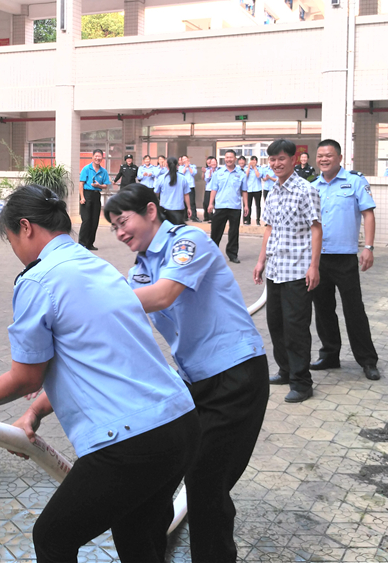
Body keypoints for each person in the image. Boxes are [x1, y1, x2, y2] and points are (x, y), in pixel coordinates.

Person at [0, 185, 200, 563]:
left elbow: (26, 377)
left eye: (11, 240)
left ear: (26, 227)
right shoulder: (98, 267)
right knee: (139, 539)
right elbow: (90, 359)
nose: (16, 252)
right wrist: (34, 412)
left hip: (129, 443)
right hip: (179, 424)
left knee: (53, 537)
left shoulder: (38, 279)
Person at [104, 184, 269, 563]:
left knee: (205, 483)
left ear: (150, 211)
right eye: (113, 227)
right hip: (195, 383)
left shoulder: (187, 240)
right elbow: (124, 324)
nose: (120, 232)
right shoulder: (140, 270)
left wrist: (96, 301)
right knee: (163, 465)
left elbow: (163, 296)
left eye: (123, 221)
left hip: (235, 376)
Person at [252, 139, 321, 403]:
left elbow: (316, 228)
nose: (276, 163)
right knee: (276, 325)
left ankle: (302, 383)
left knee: (296, 328)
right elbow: (268, 228)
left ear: (294, 159)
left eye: (281, 158)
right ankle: (285, 370)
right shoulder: (273, 190)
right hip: (276, 270)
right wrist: (261, 261)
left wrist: (314, 266)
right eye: (272, 159)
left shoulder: (306, 190)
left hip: (298, 271)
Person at [312, 139, 381, 381]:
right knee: (323, 310)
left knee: (354, 311)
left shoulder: (355, 181)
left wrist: (369, 247)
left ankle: (368, 360)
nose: (323, 159)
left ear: (339, 158)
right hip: (319, 259)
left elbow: (368, 214)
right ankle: (330, 354)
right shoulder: (313, 186)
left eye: (328, 155)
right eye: (320, 155)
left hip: (345, 259)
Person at [207, 150, 249, 263]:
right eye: (226, 157)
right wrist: (211, 203)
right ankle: (212, 254)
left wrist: (246, 205)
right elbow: (214, 189)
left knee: (234, 232)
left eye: (231, 157)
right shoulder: (218, 173)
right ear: (224, 159)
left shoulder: (241, 174)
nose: (228, 159)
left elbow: (244, 191)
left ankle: (232, 254)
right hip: (220, 206)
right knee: (216, 231)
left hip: (235, 206)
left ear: (235, 159)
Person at [78, 150, 110, 251]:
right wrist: (82, 197)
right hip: (86, 195)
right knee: (86, 220)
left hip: (96, 196)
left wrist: (99, 185)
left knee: (94, 221)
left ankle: (90, 244)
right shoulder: (87, 169)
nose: (97, 158)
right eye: (96, 156)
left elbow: (105, 186)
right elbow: (81, 184)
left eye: (99, 156)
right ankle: (81, 243)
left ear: (102, 158)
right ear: (92, 157)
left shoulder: (103, 171)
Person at [154, 156, 191, 225]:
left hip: (165, 209)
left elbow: (156, 193)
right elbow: (186, 194)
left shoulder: (161, 178)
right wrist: (189, 208)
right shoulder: (183, 178)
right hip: (179, 209)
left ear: (166, 165)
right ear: (177, 165)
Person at [180, 155, 200, 222]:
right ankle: (185, 217)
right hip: (183, 186)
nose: (185, 160)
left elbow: (193, 173)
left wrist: (188, 166)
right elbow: (181, 173)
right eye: (183, 159)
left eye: (185, 158)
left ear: (188, 159)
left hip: (191, 186)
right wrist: (185, 167)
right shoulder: (180, 167)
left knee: (192, 202)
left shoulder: (193, 166)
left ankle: (194, 217)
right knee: (183, 202)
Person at [244, 156, 263, 226]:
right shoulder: (246, 168)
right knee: (248, 205)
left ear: (257, 162)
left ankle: (258, 220)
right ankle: (248, 220)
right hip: (249, 189)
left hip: (257, 189)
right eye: (252, 161)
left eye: (254, 161)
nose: (253, 162)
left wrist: (255, 168)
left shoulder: (260, 168)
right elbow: (245, 176)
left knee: (258, 205)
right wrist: (249, 167)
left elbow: (258, 176)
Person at [202, 157, 217, 222]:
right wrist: (210, 174)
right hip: (208, 189)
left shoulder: (219, 171)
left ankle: (215, 217)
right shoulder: (208, 171)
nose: (213, 164)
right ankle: (209, 217)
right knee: (206, 203)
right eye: (212, 163)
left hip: (216, 189)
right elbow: (206, 179)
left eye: (214, 162)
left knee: (215, 203)